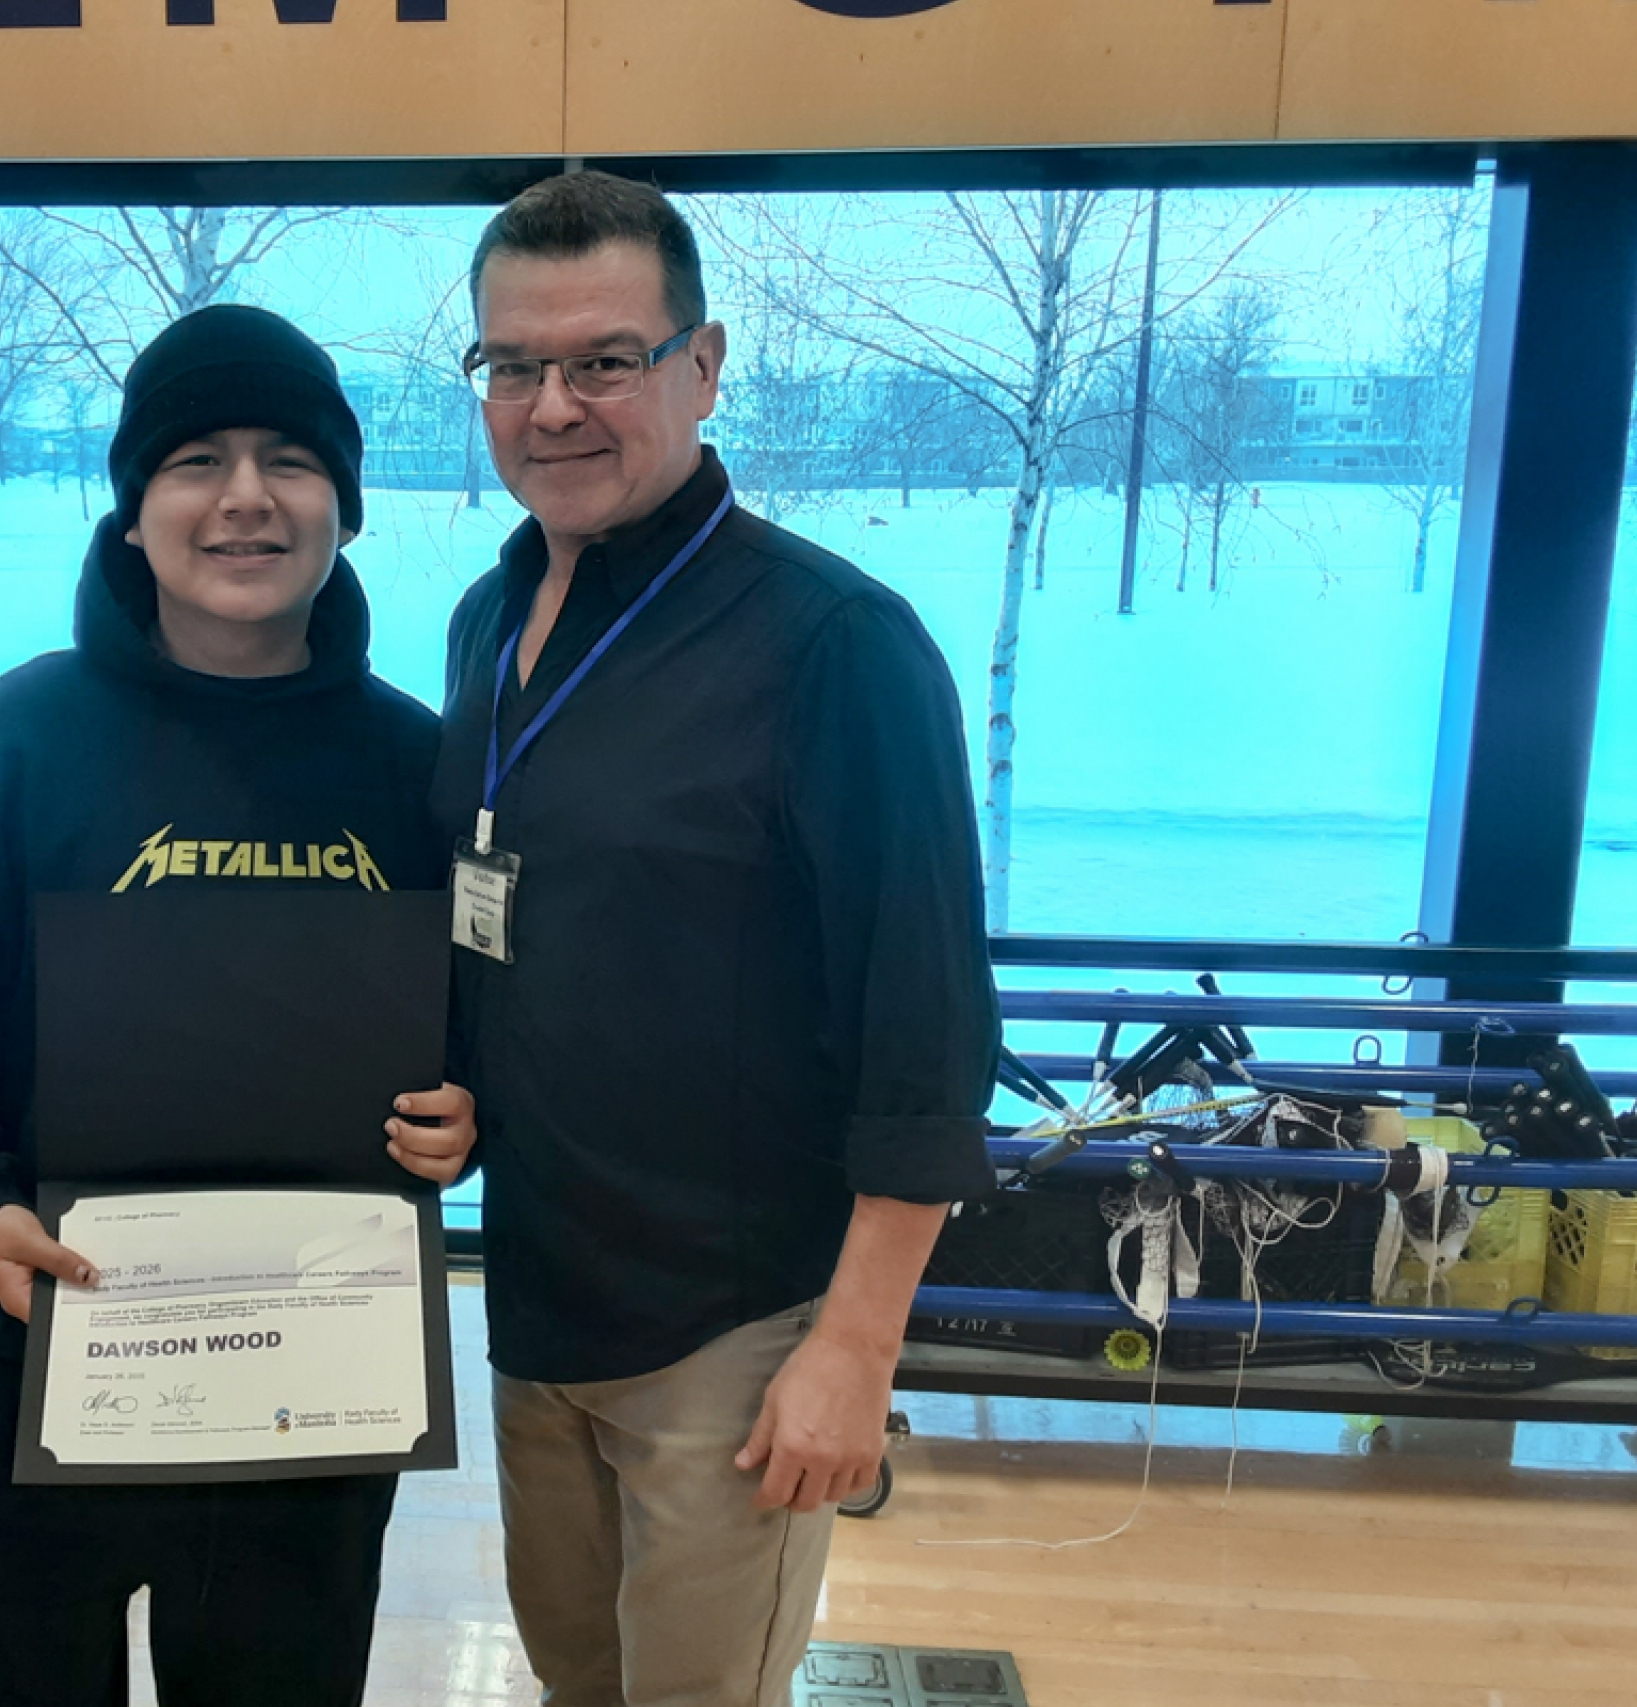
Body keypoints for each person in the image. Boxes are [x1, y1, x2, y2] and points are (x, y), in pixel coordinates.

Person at [0, 303, 476, 1707]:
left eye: (289, 459)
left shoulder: (415, 766)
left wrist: (464, 1115)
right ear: (134, 511)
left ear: (343, 509)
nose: (244, 497)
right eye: (196, 458)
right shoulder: (16, 742)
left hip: (310, 1394)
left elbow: (483, 1027)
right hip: (33, 1365)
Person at [433, 172, 1000, 1706]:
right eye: (514, 366)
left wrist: (856, 1353)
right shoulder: (488, 622)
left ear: (705, 363)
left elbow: (930, 1031)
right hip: (538, 1299)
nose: (555, 406)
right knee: (575, 1685)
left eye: (606, 359)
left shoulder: (835, 646)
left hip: (733, 1331)